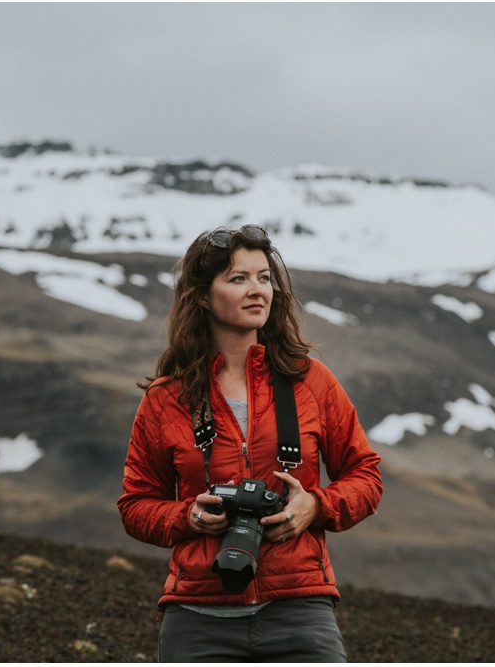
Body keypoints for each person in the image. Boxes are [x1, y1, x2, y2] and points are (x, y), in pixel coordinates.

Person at [118, 224, 383, 662]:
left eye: (264, 277)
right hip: (198, 619)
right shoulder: (167, 398)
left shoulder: (311, 381)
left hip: (300, 610)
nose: (257, 290)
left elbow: (366, 476)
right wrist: (190, 516)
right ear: (202, 296)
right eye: (238, 278)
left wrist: (315, 506)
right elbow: (136, 505)